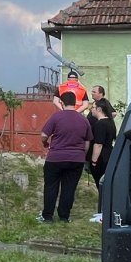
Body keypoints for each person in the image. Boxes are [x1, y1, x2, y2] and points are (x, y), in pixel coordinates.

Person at [37, 91, 92, 223]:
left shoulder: (56, 117)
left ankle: (48, 216)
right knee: (69, 188)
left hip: (55, 158)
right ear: (75, 103)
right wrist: (82, 155)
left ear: (61, 102)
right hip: (76, 159)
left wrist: (45, 143)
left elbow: (44, 134)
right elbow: (87, 141)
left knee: (51, 187)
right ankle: (64, 217)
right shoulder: (83, 120)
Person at [88, 99, 117, 224]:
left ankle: (104, 214)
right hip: (109, 155)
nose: (91, 109)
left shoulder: (100, 124)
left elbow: (98, 144)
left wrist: (93, 161)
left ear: (99, 109)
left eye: (93, 107)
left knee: (101, 186)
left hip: (101, 158)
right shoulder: (110, 122)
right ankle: (103, 212)